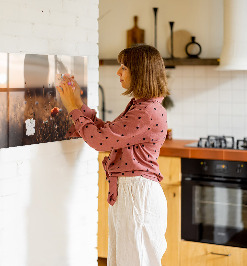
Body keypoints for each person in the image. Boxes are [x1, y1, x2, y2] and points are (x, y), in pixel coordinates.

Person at [56, 44, 169, 266]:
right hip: (132, 193)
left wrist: (72, 108)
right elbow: (108, 133)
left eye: (124, 67)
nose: (118, 72)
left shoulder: (146, 111)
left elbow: (100, 141)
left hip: (137, 195)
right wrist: (78, 104)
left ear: (140, 71)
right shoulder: (142, 106)